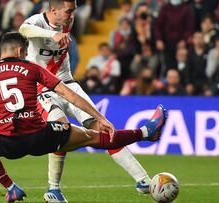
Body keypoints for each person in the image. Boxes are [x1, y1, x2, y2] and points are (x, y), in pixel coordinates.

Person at [0, 32, 167, 203]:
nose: (26, 55)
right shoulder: (32, 68)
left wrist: (5, 125)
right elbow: (67, 94)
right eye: (25, 52)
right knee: (93, 136)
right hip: (40, 137)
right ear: (19, 51)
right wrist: (98, 116)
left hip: (7, 144)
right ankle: (145, 132)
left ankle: (11, 187)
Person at [19, 1, 154, 201]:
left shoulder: (69, 20)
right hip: (42, 88)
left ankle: (143, 180)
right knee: (60, 130)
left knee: (103, 126)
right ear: (53, 10)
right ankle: (53, 189)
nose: (73, 14)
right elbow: (23, 29)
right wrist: (52, 34)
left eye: (73, 9)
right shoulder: (37, 21)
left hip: (68, 83)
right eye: (69, 10)